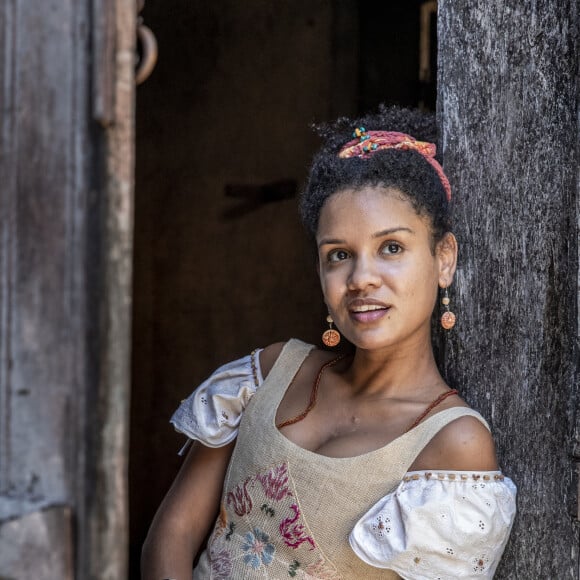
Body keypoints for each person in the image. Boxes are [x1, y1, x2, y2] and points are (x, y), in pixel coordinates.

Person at [141, 106, 516, 579]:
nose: (361, 278)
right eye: (339, 255)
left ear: (443, 259)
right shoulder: (271, 374)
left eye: (392, 248)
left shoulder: (451, 444)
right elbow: (172, 535)